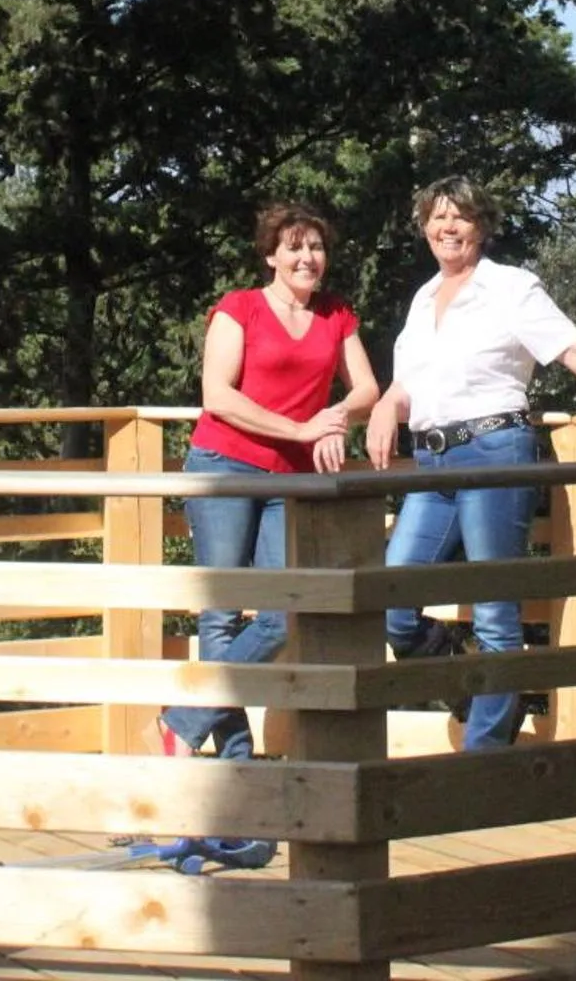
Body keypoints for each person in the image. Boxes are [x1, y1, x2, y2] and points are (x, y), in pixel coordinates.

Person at [365, 175, 576, 750]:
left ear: (482, 226)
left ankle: (485, 760)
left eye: (461, 217)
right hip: (433, 463)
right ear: (424, 226)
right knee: (392, 602)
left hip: (495, 453)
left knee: (496, 613)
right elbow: (407, 385)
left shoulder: (511, 288)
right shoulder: (422, 300)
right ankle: (482, 690)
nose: (448, 228)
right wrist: (383, 409)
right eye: (437, 218)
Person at [160, 200, 378, 762]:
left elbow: (367, 390)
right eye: (295, 247)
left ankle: (183, 721)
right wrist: (302, 429)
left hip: (291, 479)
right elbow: (218, 396)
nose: (308, 258)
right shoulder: (240, 309)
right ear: (271, 255)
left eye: (316, 247)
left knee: (287, 608)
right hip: (225, 465)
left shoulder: (336, 315)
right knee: (224, 614)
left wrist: (333, 419)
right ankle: (234, 763)